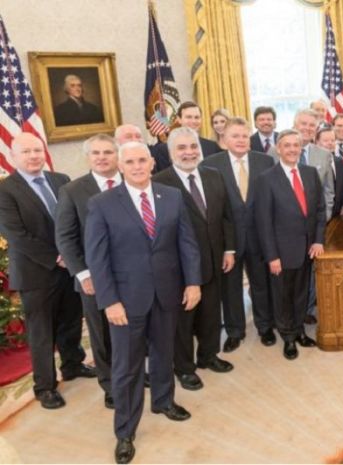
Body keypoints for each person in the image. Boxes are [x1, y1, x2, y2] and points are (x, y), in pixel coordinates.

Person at [85, 141, 201, 464]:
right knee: (127, 368)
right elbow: (98, 258)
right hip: (125, 301)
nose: (137, 166)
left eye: (142, 160)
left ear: (152, 162)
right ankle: (125, 431)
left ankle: (163, 401)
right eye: (130, 162)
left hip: (167, 293)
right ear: (120, 166)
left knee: (165, 352)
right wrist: (109, 301)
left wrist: (192, 282)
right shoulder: (102, 204)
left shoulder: (172, 196)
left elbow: (187, 243)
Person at [0, 132, 92, 410]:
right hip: (36, 272)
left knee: (71, 320)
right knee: (42, 332)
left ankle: (73, 365)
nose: (34, 156)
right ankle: (45, 387)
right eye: (26, 152)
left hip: (70, 268)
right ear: (13, 156)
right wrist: (57, 257)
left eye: (38, 150)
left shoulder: (61, 180)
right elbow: (16, 236)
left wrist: (73, 257)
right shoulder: (5, 190)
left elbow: (75, 219)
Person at [152, 127, 236, 391]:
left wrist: (229, 250)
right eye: (182, 148)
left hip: (213, 260)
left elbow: (226, 216)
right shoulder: (160, 183)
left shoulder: (214, 175)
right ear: (171, 152)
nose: (189, 153)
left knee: (211, 312)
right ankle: (184, 368)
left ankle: (208, 355)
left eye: (193, 147)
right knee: (182, 322)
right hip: (179, 268)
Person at [55, 134, 121, 409]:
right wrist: (82, 274)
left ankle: (135, 372)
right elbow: (65, 238)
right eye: (96, 153)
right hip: (94, 278)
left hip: (132, 274)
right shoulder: (73, 190)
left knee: (133, 328)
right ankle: (110, 384)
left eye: (108, 152)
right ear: (88, 158)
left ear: (117, 155)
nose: (102, 157)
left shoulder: (131, 182)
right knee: (102, 333)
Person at [201, 118, 276, 350]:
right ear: (224, 139)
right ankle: (235, 331)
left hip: (259, 237)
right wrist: (225, 245)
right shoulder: (211, 164)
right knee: (231, 288)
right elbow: (212, 206)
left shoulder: (265, 161)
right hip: (228, 240)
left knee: (261, 284)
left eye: (244, 136)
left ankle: (265, 327)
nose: (241, 140)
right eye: (235, 136)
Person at [255, 129, 325, 361]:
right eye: (287, 145)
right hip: (281, 252)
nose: (293, 149)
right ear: (278, 148)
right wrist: (271, 256)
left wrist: (317, 239)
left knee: (301, 293)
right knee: (283, 296)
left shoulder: (310, 172)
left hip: (307, 249)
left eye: (296, 145)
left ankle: (299, 330)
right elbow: (263, 222)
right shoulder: (267, 178)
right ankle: (288, 337)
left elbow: (319, 210)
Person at [151, 102, 220, 172]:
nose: (193, 121)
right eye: (188, 117)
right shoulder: (164, 149)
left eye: (197, 117)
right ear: (179, 119)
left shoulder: (212, 147)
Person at [294, 109, 335, 221]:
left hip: (316, 220)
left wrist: (326, 216)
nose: (307, 128)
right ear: (294, 126)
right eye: (304, 124)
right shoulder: (276, 152)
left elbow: (328, 189)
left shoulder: (324, 155)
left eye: (312, 125)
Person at [316, 127, 343, 220]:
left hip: (335, 214)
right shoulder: (311, 163)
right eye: (326, 140)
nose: (330, 143)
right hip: (317, 214)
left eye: (332, 140)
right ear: (317, 142)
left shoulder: (341, 163)